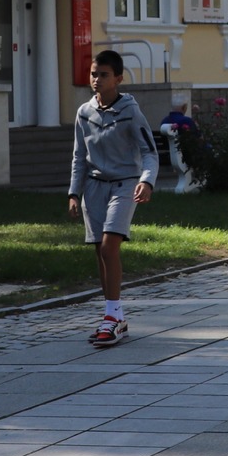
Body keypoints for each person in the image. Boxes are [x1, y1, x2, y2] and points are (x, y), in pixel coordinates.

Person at [67, 49, 158, 348]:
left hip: (124, 185)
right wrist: (73, 193)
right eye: (94, 74)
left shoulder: (131, 110)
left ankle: (111, 317)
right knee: (100, 253)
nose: (97, 79)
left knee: (109, 246)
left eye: (104, 75)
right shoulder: (84, 113)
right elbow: (79, 156)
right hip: (93, 188)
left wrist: (146, 182)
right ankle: (114, 317)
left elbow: (149, 152)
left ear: (118, 79)